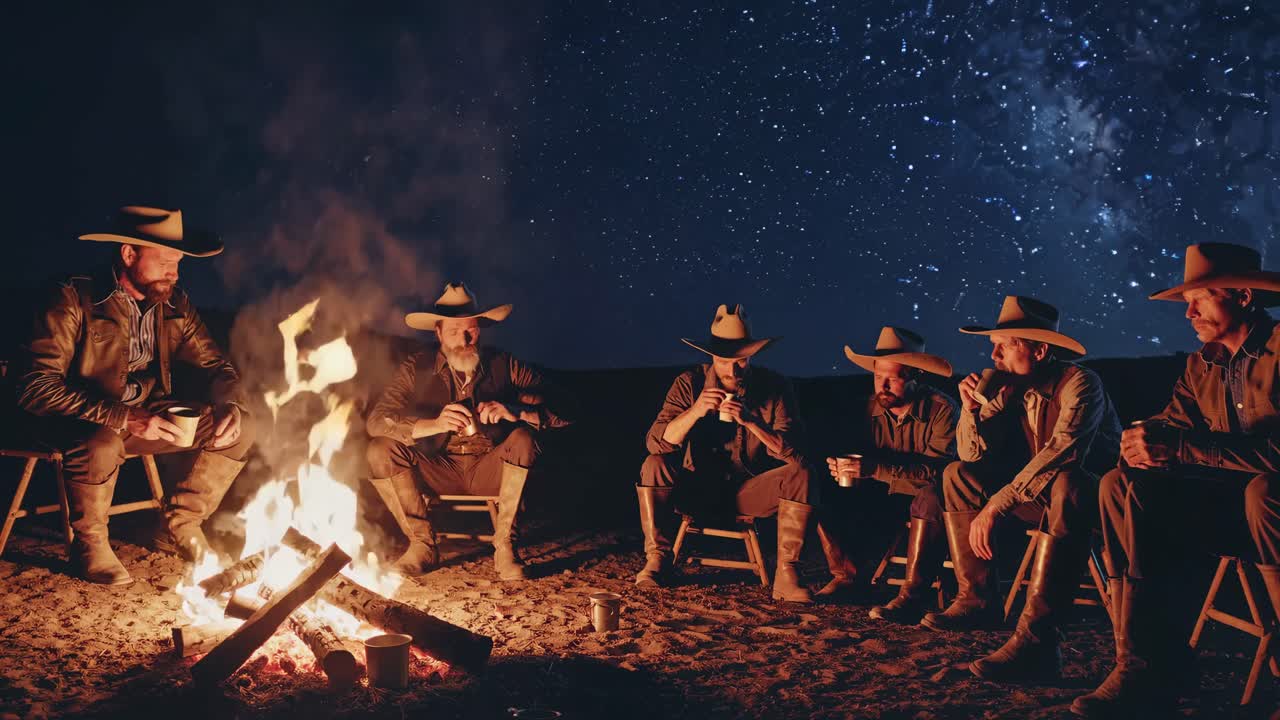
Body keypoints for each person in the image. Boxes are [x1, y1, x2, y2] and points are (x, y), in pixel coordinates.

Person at [1073, 243, 1280, 717]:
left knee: (1263, 490)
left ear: (1244, 296)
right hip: (1228, 514)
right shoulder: (1198, 366)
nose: (1188, 312)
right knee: (1120, 485)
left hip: (1271, 513)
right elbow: (1171, 430)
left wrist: (1181, 448)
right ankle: (1146, 665)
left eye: (1200, 298)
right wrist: (1140, 446)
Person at [18, 206, 254, 585]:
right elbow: (36, 387)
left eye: (177, 263)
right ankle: (90, 544)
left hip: (143, 415)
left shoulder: (175, 304)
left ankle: (183, 525)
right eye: (164, 262)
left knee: (241, 427)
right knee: (101, 442)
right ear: (129, 255)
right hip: (73, 420)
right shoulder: (73, 296)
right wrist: (124, 417)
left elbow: (217, 367)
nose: (174, 273)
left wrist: (232, 405)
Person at [921, 296, 1120, 686]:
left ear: (1040, 349)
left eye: (1005, 345)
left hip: (1093, 506)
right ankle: (976, 600)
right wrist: (970, 410)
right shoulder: (1012, 388)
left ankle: (1038, 643)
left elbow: (1063, 451)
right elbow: (969, 454)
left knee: (1068, 481)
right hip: (1042, 500)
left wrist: (997, 505)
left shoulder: (1081, 383)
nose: (993, 354)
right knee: (958, 475)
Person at [366, 283, 569, 581]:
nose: (463, 339)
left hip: (491, 467)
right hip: (439, 467)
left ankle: (505, 547)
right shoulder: (416, 367)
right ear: (437, 333)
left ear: (480, 329)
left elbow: (567, 409)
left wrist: (517, 411)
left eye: (470, 330)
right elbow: (377, 421)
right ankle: (422, 546)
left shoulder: (504, 364)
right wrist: (434, 425)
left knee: (523, 438)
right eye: (452, 332)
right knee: (379, 449)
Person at [635, 303, 815, 602]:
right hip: (697, 489)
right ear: (711, 357)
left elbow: (796, 454)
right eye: (724, 361)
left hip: (749, 492)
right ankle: (657, 561)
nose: (733, 369)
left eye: (742, 360)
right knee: (654, 463)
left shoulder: (775, 385)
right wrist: (695, 411)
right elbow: (657, 443)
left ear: (752, 357)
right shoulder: (689, 383)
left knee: (803, 473)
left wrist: (752, 421)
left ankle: (787, 575)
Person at [828, 326, 957, 618]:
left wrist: (876, 470)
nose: (882, 386)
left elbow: (938, 473)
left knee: (931, 496)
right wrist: (841, 469)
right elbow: (858, 455)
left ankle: (913, 597)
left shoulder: (942, 411)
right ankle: (848, 577)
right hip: (881, 497)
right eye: (877, 377)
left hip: (927, 501)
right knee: (823, 488)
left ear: (916, 377)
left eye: (892, 378)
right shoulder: (867, 409)